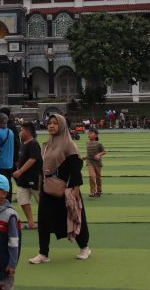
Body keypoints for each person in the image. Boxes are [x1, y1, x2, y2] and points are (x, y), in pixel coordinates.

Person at [29, 113, 91, 264]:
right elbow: (41, 168)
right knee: (43, 220)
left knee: (74, 217)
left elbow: (75, 168)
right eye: (49, 123)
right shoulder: (46, 145)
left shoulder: (69, 145)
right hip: (48, 189)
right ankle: (43, 253)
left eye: (55, 123)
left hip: (66, 190)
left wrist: (75, 189)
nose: (51, 125)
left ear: (62, 125)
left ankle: (84, 247)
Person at [12, 121, 41, 230]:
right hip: (23, 180)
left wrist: (20, 171)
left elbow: (33, 159)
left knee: (41, 202)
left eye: (22, 130)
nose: (20, 132)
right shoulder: (22, 144)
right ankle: (31, 223)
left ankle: (49, 222)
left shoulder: (34, 144)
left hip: (34, 179)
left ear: (28, 132)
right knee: (23, 201)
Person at [0, 113, 15, 201]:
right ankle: (8, 200)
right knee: (8, 183)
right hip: (10, 164)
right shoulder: (11, 132)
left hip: (1, 164)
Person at [84, 129, 106, 197]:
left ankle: (99, 191)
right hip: (89, 162)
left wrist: (98, 155)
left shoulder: (99, 144)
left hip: (97, 163)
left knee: (98, 177)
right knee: (91, 176)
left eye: (91, 133)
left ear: (96, 135)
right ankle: (92, 191)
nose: (89, 135)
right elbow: (89, 153)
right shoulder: (87, 143)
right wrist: (84, 157)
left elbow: (104, 151)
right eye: (88, 133)